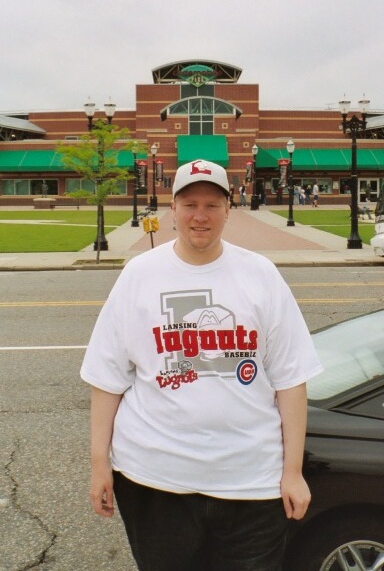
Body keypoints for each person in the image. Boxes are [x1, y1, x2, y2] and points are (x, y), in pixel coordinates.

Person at [81, 159, 323, 571]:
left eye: (212, 205)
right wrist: (99, 465)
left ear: (230, 209)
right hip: (155, 478)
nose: (200, 215)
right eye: (189, 203)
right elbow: (107, 379)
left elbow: (290, 380)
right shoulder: (140, 275)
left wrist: (293, 472)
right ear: (171, 209)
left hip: (251, 482)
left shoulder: (260, 274)